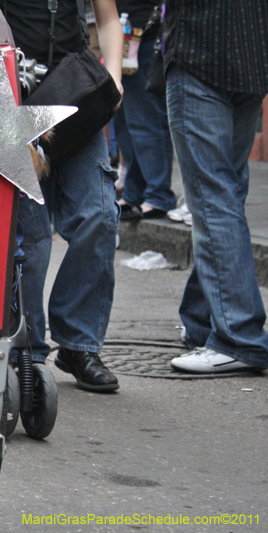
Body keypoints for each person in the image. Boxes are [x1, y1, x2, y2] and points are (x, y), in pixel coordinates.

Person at [0, 0, 123, 392]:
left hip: (76, 93)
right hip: (12, 96)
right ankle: (27, 352)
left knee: (99, 214)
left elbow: (108, 18)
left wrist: (114, 78)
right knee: (30, 235)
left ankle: (78, 344)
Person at [163, 1, 268, 374]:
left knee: (213, 201)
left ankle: (238, 337)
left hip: (200, 55)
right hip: (251, 60)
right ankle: (202, 322)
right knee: (225, 195)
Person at [115, 0, 176, 221]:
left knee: (146, 120)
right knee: (126, 122)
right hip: (122, 31)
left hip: (145, 32)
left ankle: (158, 194)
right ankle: (134, 192)